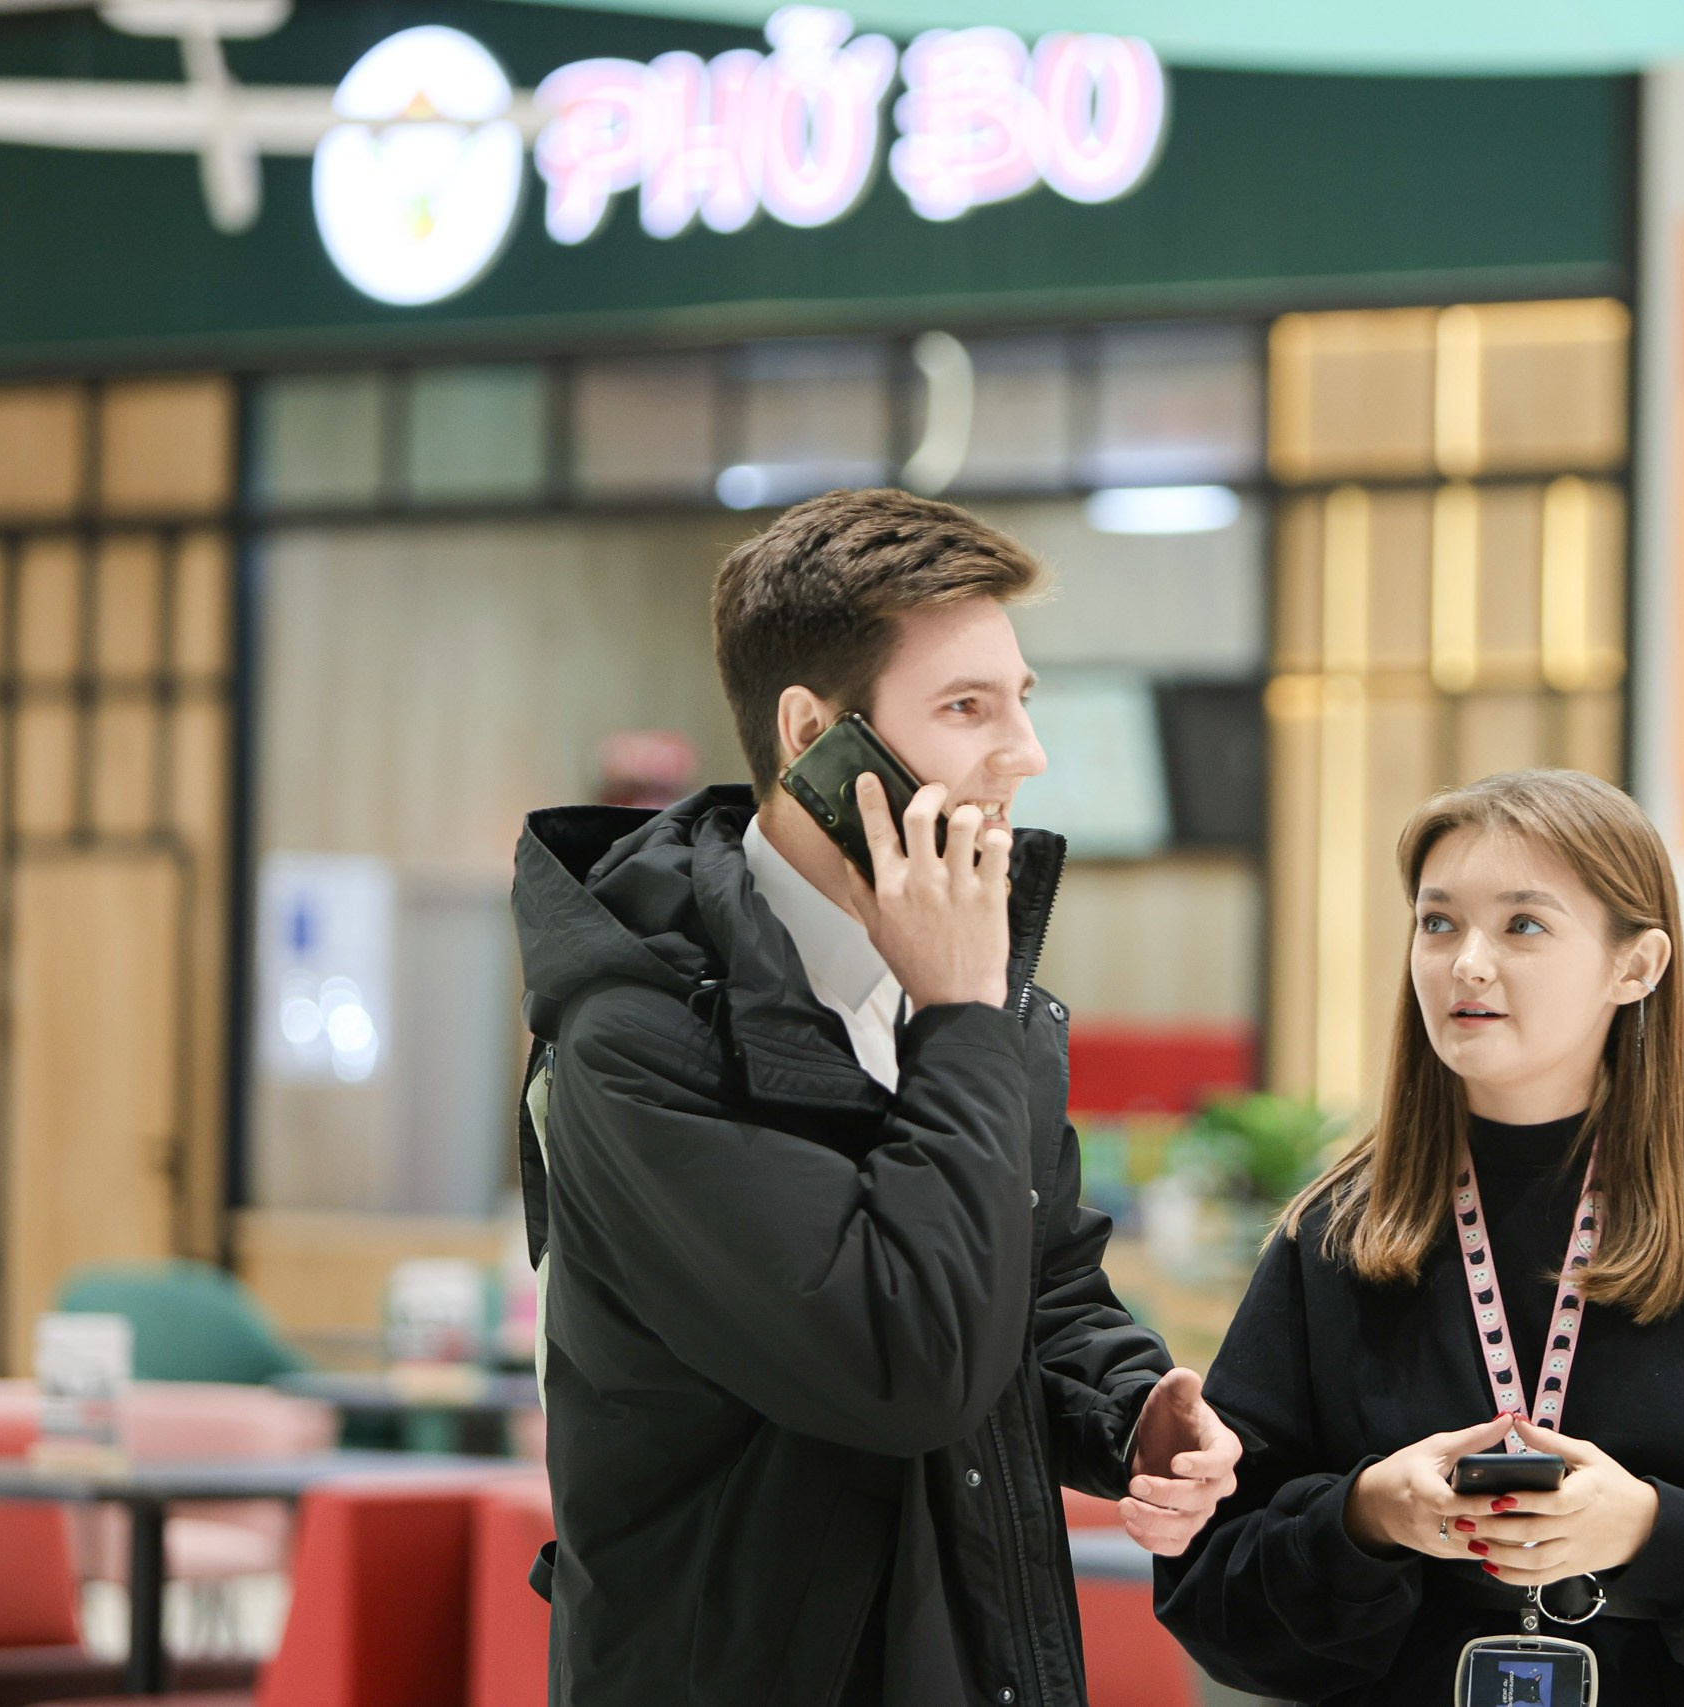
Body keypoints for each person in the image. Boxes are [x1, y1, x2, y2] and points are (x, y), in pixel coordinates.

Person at [511, 488, 1243, 1707]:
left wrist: (1126, 1411)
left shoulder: (967, 990)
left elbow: (1039, 1285)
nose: (1025, 751)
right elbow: (908, 1366)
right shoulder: (638, 1038)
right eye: (966, 708)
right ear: (812, 734)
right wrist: (961, 1017)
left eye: (1021, 700)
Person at [1153, 769, 1684, 1706]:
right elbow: (1210, 1589)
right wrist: (1368, 1516)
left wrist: (1650, 1532)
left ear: (1637, 965)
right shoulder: (1339, 1230)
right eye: (1438, 922)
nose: (1467, 962)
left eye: (1523, 925)